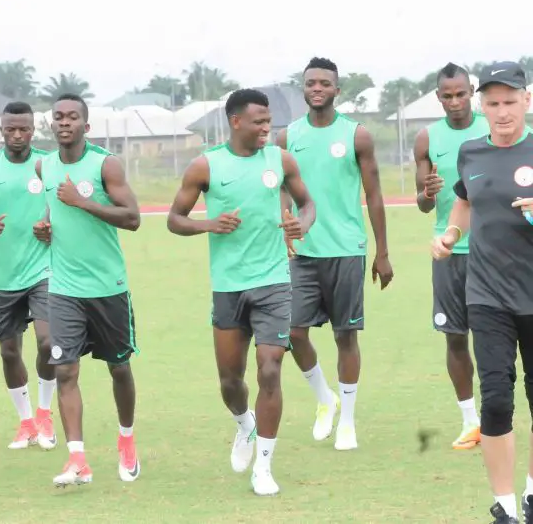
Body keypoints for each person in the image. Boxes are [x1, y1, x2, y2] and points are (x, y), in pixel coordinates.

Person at [167, 89, 316, 495]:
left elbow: (307, 204)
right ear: (236, 122)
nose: (267, 127)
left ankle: (263, 467)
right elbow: (174, 219)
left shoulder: (281, 160)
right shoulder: (206, 166)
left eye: (269, 120)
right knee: (230, 381)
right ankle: (243, 422)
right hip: (229, 287)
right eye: (259, 121)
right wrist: (209, 224)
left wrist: (302, 224)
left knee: (270, 368)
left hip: (273, 282)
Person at [432, 61, 533, 524]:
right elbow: (464, 200)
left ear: (526, 101)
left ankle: (531, 494)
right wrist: (451, 234)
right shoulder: (470, 152)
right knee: (495, 399)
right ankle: (504, 507)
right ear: (482, 106)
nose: (502, 111)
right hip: (487, 295)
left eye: (510, 101)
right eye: (493, 103)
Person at [277, 57, 393, 451]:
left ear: (337, 90)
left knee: (346, 335)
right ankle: (324, 398)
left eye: (325, 83)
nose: (317, 88)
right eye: (311, 82)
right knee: (293, 332)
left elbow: (374, 194)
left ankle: (348, 420)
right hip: (303, 252)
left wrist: (382, 252)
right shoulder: (287, 136)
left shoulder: (356, 135)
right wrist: (285, 217)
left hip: (346, 249)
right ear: (303, 87)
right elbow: (281, 188)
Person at [34, 93, 141, 487]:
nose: (64, 122)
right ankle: (77, 459)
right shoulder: (44, 166)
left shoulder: (104, 164)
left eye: (72, 117)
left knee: (119, 368)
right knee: (64, 369)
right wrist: (46, 226)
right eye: (58, 116)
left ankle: (126, 439)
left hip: (107, 287)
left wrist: (83, 202)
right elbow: (53, 207)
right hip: (64, 288)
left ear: (86, 125)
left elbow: (132, 218)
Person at [0, 101, 57, 450]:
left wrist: (50, 223)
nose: (17, 135)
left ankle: (45, 413)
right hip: (5, 277)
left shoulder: (47, 164)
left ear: (33, 130)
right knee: (8, 351)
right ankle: (26, 422)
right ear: (1, 130)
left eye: (24, 129)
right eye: (11, 129)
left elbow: (65, 206)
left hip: (44, 269)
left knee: (48, 342)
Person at [414, 62, 490, 451]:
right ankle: (470, 421)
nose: (455, 101)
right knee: (455, 337)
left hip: (492, 250)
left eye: (461, 94)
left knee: (496, 337)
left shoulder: (493, 127)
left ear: (472, 91)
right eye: (447, 96)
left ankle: (497, 416)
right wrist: (427, 193)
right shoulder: (427, 138)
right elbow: (423, 204)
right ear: (438, 97)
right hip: (447, 252)